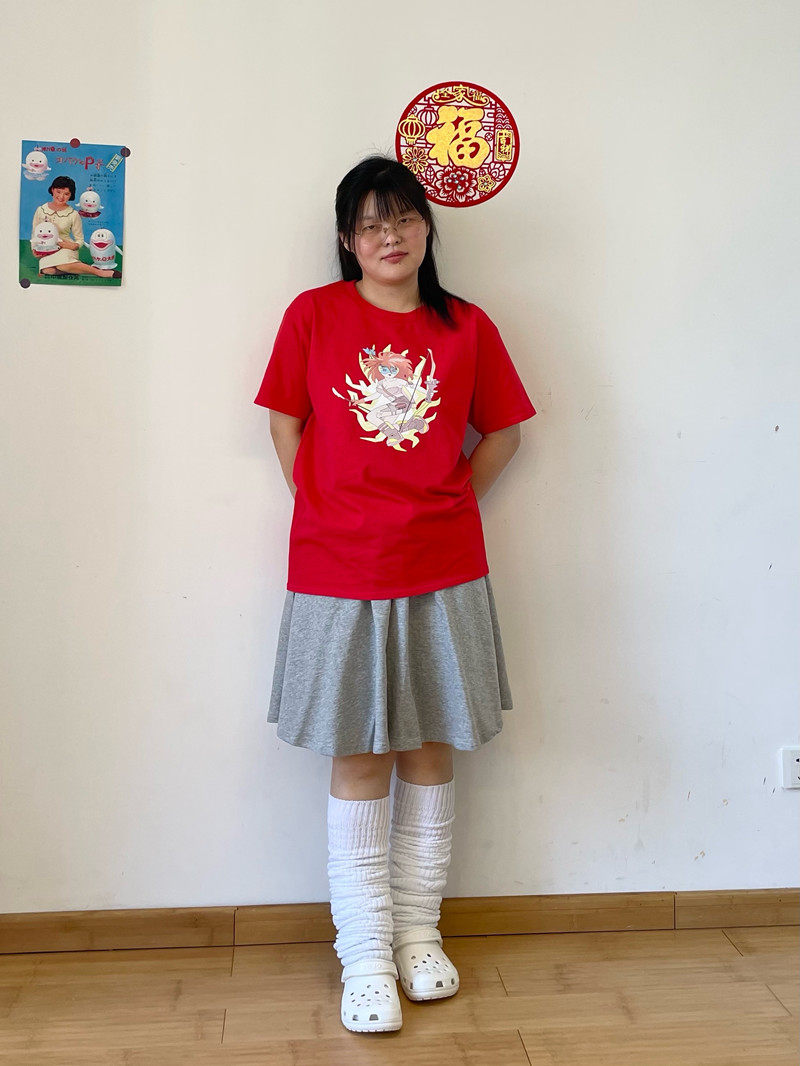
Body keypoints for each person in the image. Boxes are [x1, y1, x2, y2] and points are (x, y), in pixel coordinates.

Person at [253, 154, 537, 1033]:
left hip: (443, 565)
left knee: (429, 747)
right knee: (358, 756)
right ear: (348, 239)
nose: (389, 236)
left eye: (403, 219)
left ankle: (419, 932)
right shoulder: (314, 315)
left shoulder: (467, 326)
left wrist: (448, 502)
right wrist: (326, 506)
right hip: (338, 567)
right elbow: (285, 423)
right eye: (371, 224)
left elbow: (504, 433)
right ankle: (365, 952)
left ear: (426, 227)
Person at [31, 176, 120, 278]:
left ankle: (100, 272)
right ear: (52, 190)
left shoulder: (73, 214)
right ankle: (77, 267)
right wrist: (34, 249)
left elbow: (79, 239)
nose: (61, 196)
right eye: (58, 192)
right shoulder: (41, 210)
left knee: (62, 266)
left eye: (66, 194)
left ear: (71, 195)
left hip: (66, 248)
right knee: (48, 270)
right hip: (46, 249)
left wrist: (74, 246)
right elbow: (34, 232)